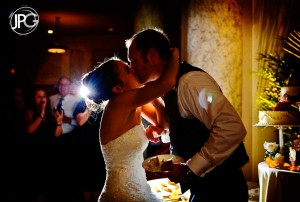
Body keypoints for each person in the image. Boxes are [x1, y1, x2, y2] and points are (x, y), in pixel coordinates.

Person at [125, 27, 249, 202]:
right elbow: (191, 125)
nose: (132, 68)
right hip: (203, 187)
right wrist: (166, 132)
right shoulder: (170, 87)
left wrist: (190, 168)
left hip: (222, 188)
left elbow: (231, 127)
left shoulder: (191, 83)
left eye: (133, 61)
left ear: (151, 55)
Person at [80, 50, 179, 202]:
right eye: (127, 69)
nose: (133, 69)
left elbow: (164, 123)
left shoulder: (134, 102)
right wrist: (174, 55)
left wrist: (149, 130)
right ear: (118, 88)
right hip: (121, 193)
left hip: (139, 186)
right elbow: (168, 82)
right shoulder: (120, 102)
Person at [22, 87, 63, 202]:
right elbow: (29, 130)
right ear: (34, 99)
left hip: (49, 155)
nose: (42, 99)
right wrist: (40, 114)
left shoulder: (50, 114)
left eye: (44, 96)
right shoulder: (30, 112)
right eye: (39, 96)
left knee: (50, 190)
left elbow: (57, 134)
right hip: (35, 156)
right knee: (38, 191)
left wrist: (59, 123)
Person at [72, 98, 106, 202]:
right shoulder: (81, 103)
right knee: (86, 180)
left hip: (101, 147)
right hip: (85, 147)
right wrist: (90, 106)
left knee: (99, 180)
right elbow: (80, 121)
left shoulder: (105, 101)